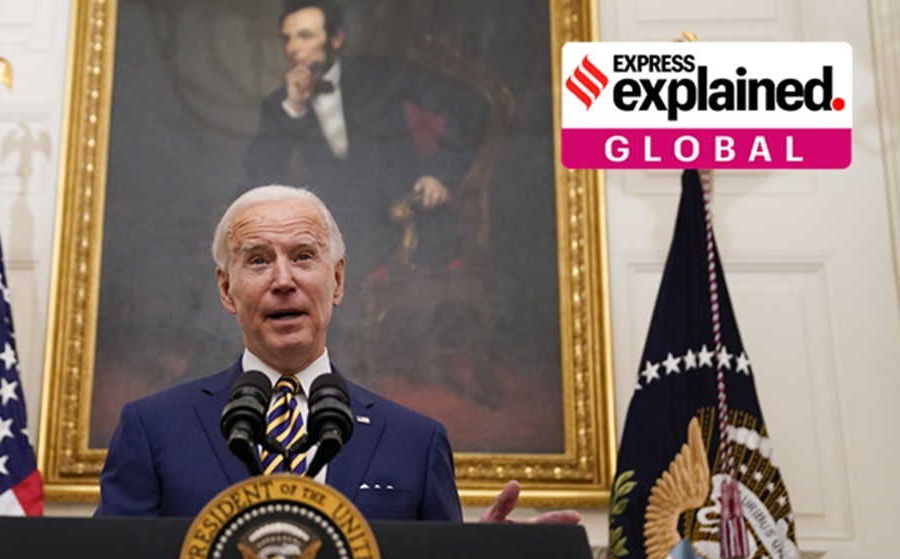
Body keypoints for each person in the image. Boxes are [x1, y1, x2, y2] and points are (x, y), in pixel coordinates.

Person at [96, 185, 579, 526]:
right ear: (226, 289)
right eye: (259, 260)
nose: (283, 280)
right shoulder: (153, 429)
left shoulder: (415, 440)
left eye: (304, 256)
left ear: (339, 280)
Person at [242, 0, 491, 290]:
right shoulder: (281, 103)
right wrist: (293, 108)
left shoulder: (383, 76)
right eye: (288, 38)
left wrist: (440, 174)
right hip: (336, 226)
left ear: (336, 38)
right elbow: (260, 174)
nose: (293, 47)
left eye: (305, 35)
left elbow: (470, 105)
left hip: (406, 219)